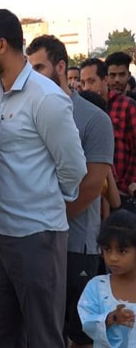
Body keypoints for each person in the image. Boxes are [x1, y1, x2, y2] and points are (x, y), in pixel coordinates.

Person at [0, 9, 87, 347]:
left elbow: (74, 168)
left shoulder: (46, 98)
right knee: (3, 333)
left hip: (37, 237)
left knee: (43, 336)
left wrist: (45, 204)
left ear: (2, 44)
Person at [27, 35, 115, 348]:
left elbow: (92, 187)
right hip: (34, 242)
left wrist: (45, 220)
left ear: (61, 67)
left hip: (75, 244)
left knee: (80, 334)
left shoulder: (94, 120)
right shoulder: (29, 114)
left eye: (39, 67)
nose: (31, 75)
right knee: (41, 332)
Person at [80, 59, 136, 211]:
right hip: (94, 193)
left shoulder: (126, 106)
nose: (87, 87)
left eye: (91, 81)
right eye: (83, 82)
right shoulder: (81, 108)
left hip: (123, 192)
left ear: (105, 80)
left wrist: (128, 183)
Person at [77, 210, 136, 347]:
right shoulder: (97, 286)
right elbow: (87, 322)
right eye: (107, 249)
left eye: (122, 251)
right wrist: (111, 318)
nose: (112, 258)